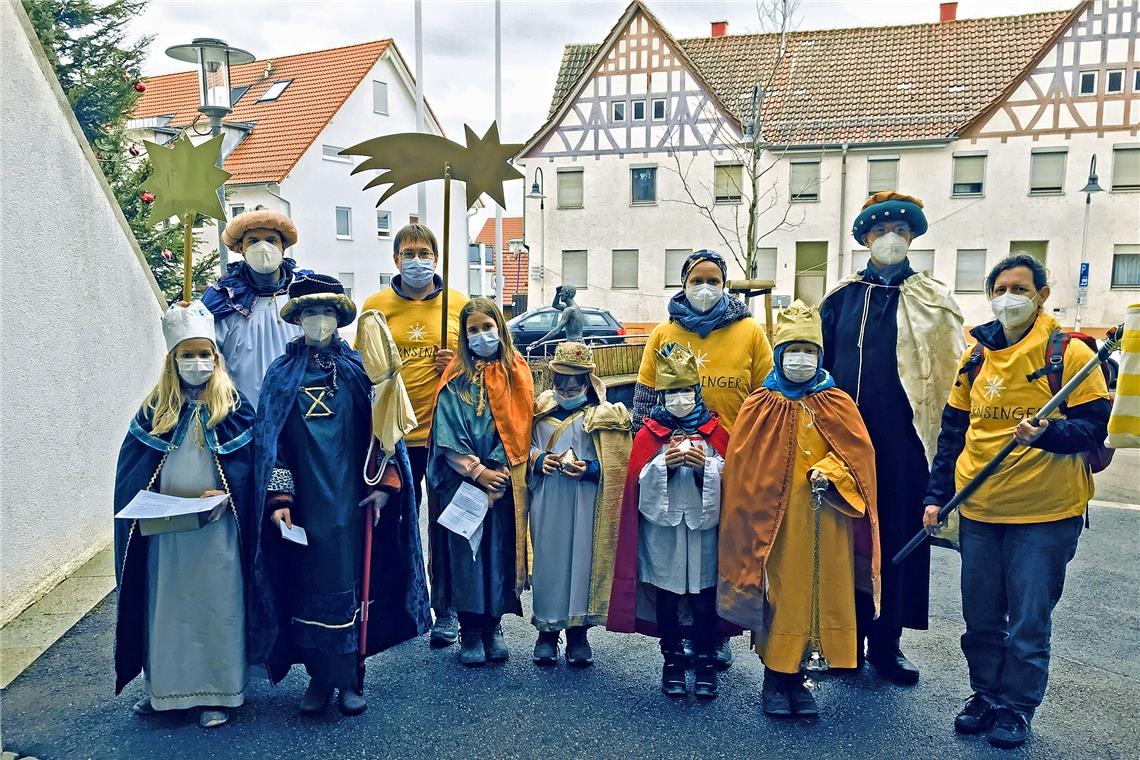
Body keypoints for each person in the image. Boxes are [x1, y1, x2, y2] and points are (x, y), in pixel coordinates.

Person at [922, 254, 1110, 749]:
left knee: (1028, 619)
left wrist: (1048, 434)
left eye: (1021, 288)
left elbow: (1095, 426)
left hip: (1044, 514)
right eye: (1001, 288)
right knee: (980, 614)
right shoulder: (976, 355)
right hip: (980, 509)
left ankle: (1017, 707)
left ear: (1042, 295)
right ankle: (984, 694)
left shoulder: (1069, 354)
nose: (1009, 297)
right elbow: (953, 432)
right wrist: (936, 496)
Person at [251, 274, 429, 717]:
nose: (319, 321)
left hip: (353, 504)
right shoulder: (280, 375)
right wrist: (280, 502)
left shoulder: (359, 371)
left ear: (338, 318)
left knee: (355, 590)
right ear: (297, 320)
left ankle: (351, 678)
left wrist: (386, 487)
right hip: (306, 509)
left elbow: (386, 434)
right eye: (311, 313)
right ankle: (316, 680)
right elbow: (271, 445)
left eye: (327, 313)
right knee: (306, 588)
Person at [820, 191, 965, 684]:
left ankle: (888, 644)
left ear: (913, 238)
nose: (891, 240)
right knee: (846, 541)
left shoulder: (933, 300)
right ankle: (845, 641)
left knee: (899, 541)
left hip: (905, 448)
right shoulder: (840, 298)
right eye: (881, 232)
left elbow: (949, 377)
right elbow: (816, 368)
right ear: (864, 238)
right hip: (845, 444)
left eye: (901, 232)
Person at [719, 301, 880, 718]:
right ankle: (777, 676)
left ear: (820, 356)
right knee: (784, 596)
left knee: (821, 595)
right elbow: (743, 466)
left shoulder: (837, 402)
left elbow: (859, 459)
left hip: (828, 522)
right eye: (793, 349)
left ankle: (802, 675)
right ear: (778, 354)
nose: (801, 359)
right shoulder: (760, 404)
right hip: (777, 525)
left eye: (809, 350)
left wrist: (830, 470)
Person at [113, 301, 256, 729]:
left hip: (217, 531)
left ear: (217, 358)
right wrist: (153, 497)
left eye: (204, 354)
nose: (196, 362)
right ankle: (167, 694)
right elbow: (132, 470)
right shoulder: (155, 409)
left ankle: (219, 692)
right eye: (186, 354)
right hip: (167, 532)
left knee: (217, 605)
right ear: (172, 360)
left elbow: (252, 469)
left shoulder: (234, 407)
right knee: (167, 607)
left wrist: (228, 495)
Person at [630, 249, 774, 669]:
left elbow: (765, 397)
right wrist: (654, 448)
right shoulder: (664, 334)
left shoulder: (749, 332)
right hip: (671, 454)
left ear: (725, 284)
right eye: (697, 280)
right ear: (683, 283)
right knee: (676, 551)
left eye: (714, 280)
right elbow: (644, 402)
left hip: (730, 454)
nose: (705, 288)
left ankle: (717, 634)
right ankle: (681, 637)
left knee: (720, 552)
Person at [360, 223, 468, 647]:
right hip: (395, 438)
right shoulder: (375, 306)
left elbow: (481, 366)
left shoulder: (458, 304)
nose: (416, 260)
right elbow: (363, 368)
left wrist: (454, 364)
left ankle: (448, 610)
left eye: (424, 252)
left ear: (436, 259)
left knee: (446, 527)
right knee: (398, 523)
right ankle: (403, 609)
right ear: (395, 260)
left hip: (443, 436)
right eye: (408, 253)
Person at [608, 343, 736, 700]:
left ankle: (706, 661)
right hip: (662, 533)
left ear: (696, 392)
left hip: (703, 532)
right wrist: (662, 467)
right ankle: (673, 662)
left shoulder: (715, 432)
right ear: (662, 396)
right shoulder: (651, 433)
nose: (680, 398)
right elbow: (639, 482)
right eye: (672, 392)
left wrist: (705, 470)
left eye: (685, 391)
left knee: (703, 599)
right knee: (666, 597)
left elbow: (733, 480)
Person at [427, 298, 534, 667]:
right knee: (465, 555)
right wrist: (477, 472)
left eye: (487, 327)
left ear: (500, 328)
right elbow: (446, 430)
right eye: (472, 330)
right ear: (463, 335)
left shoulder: (517, 371)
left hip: (502, 481)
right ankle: (469, 630)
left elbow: (522, 425)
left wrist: (500, 471)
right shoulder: (455, 375)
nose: (481, 335)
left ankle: (493, 627)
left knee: (497, 553)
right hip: (463, 481)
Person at [528, 342, 631, 666]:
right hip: (548, 499)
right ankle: (546, 632)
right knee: (549, 563)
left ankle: (577, 633)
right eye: (561, 379)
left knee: (582, 562)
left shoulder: (605, 414)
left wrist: (592, 469)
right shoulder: (539, 409)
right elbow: (522, 447)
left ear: (587, 379)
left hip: (586, 501)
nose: (567, 386)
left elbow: (618, 462)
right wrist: (539, 459)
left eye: (574, 380)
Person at [203, 208, 308, 409]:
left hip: (299, 412)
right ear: (240, 248)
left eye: (271, 240)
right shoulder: (223, 297)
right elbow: (206, 357)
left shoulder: (304, 291)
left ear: (283, 247)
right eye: (253, 241)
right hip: (242, 413)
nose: (263, 247)